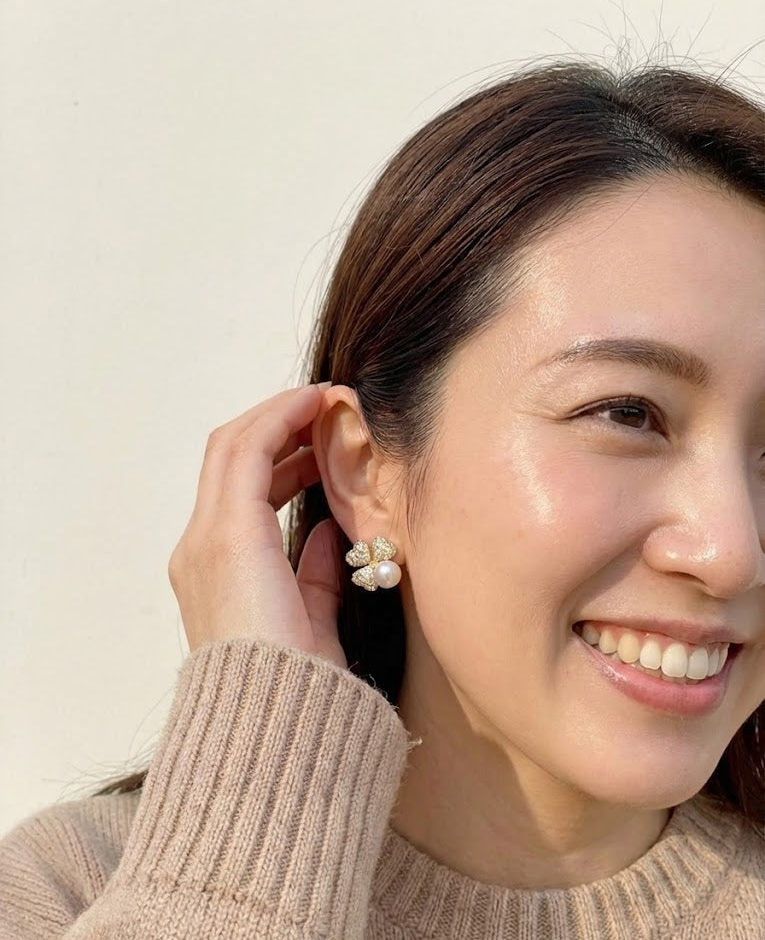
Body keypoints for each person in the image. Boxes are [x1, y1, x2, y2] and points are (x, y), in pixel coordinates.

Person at [1, 58, 764, 940]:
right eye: (625, 412)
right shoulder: (74, 895)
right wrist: (244, 856)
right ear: (365, 473)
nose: (731, 549)